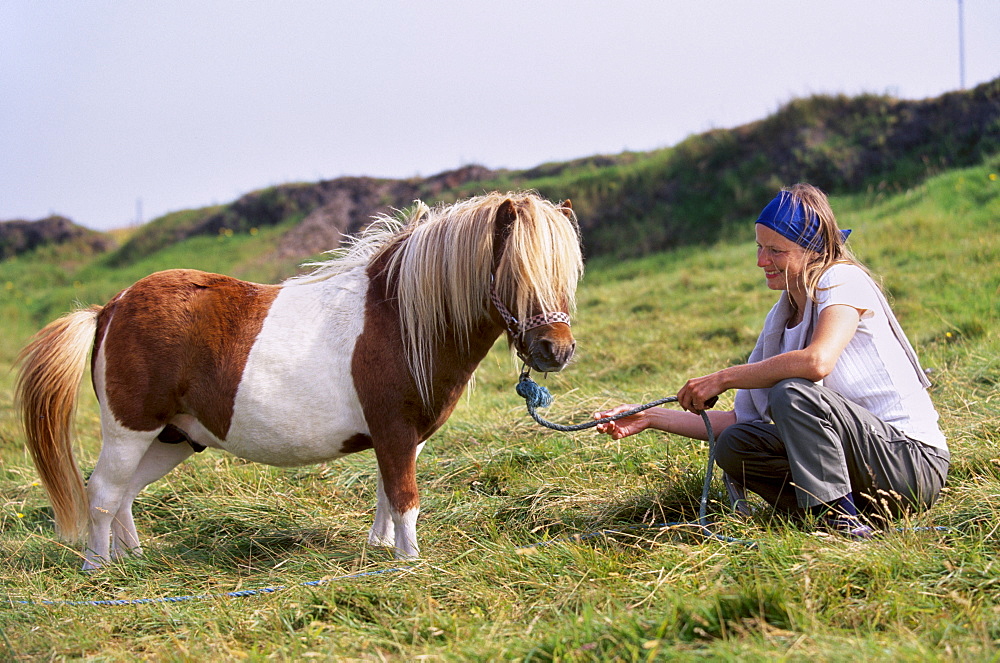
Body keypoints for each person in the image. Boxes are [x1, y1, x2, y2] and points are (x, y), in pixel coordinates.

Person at [593, 183, 949, 537]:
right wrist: (650, 416)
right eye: (760, 247)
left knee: (793, 392)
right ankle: (832, 518)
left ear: (814, 250)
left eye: (776, 250)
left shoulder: (842, 278)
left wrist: (724, 377)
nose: (762, 261)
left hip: (911, 465)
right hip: (864, 472)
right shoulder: (780, 321)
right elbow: (738, 418)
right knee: (736, 443)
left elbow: (817, 362)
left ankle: (843, 524)